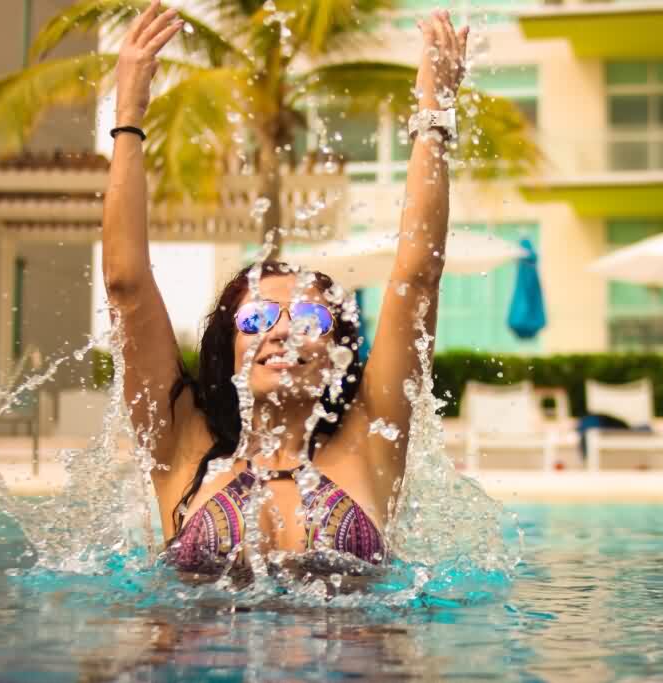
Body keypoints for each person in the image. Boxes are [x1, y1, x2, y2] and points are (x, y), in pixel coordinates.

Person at [102, 0, 469, 574]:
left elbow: (417, 277)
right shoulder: (184, 444)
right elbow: (126, 285)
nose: (280, 332)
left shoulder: (369, 438)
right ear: (228, 348)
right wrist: (129, 113)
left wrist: (434, 115)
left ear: (337, 349)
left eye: (310, 321)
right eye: (255, 320)